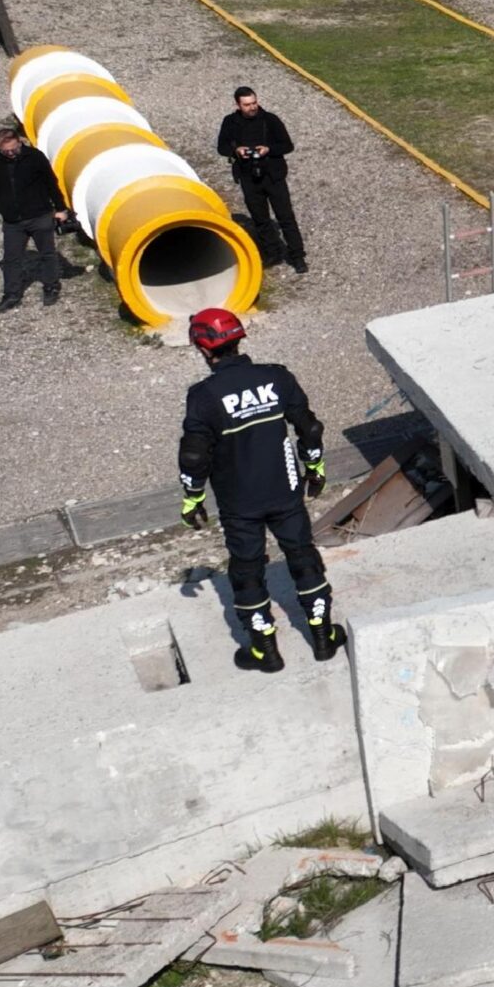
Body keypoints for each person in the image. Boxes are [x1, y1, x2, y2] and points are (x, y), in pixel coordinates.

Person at [178, 308, 338, 674]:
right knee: (302, 555)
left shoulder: (203, 396)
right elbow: (309, 429)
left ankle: (266, 652)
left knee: (247, 569)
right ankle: (323, 638)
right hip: (286, 490)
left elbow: (193, 454)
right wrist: (315, 468)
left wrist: (193, 498)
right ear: (239, 339)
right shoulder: (276, 377)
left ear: (203, 349)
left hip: (239, 502)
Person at [216, 86, 307, 274]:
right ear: (238, 105)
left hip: (273, 176)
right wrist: (237, 151)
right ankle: (271, 252)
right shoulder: (230, 122)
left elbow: (287, 145)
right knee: (260, 218)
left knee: (286, 217)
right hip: (248, 177)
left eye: (254, 102)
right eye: (247, 104)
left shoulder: (270, 120)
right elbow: (221, 147)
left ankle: (297, 256)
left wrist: (268, 149)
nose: (252, 107)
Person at [0, 119, 68, 310]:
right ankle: (11, 294)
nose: (11, 154)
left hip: (39, 215)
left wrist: (61, 209)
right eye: (6, 152)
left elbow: (51, 184)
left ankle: (51, 286)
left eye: (14, 149)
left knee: (47, 254)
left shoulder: (35, 157)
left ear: (19, 142)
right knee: (11, 258)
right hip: (13, 221)